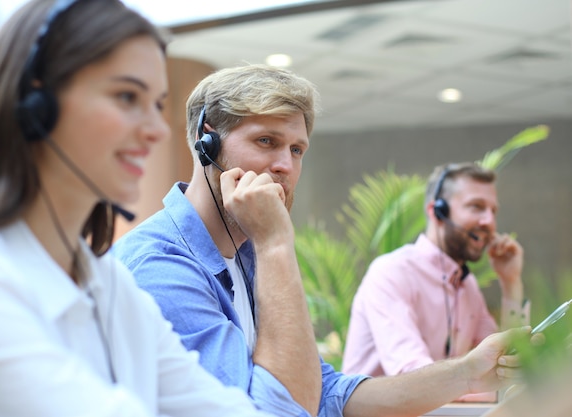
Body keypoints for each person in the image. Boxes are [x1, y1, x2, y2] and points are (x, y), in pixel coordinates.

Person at [113, 64, 533, 417]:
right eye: (266, 141)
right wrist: (276, 243)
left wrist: (469, 372)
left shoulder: (248, 256)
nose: (284, 166)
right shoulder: (160, 267)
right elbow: (277, 411)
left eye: (297, 150)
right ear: (208, 142)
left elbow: (326, 392)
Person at [0, 1, 278, 416]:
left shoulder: (111, 287)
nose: (157, 129)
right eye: (126, 96)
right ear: (36, 105)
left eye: (157, 104)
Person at [342, 162, 530, 401]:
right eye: (476, 207)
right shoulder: (391, 273)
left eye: (493, 211)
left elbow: (504, 362)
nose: (489, 222)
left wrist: (510, 283)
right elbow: (411, 376)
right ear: (437, 211)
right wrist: (506, 390)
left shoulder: (467, 287)